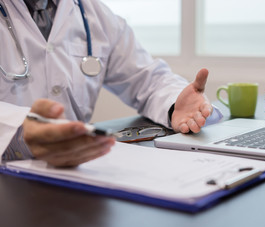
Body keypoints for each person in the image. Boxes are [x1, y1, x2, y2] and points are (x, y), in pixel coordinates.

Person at [0, 0, 221, 167]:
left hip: (74, 175)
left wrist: (175, 104)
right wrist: (19, 130)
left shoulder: (94, 15)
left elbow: (147, 78)